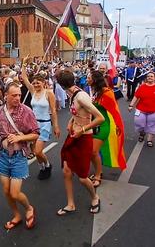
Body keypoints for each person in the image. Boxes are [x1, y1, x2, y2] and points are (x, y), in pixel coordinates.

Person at [0, 81, 39, 230]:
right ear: (6, 96)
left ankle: (29, 208)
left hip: (18, 157)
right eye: (14, 95)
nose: (17, 98)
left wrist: (19, 138)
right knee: (6, 191)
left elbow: (36, 134)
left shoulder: (26, 111)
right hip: (3, 156)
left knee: (15, 193)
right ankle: (16, 214)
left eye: (19, 95)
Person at [56, 70, 104, 215]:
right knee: (66, 171)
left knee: (83, 178)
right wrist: (71, 122)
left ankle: (95, 197)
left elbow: (99, 118)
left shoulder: (81, 97)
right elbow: (77, 112)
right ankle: (71, 204)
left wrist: (82, 129)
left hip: (83, 139)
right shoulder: (73, 92)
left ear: (61, 84)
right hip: (73, 136)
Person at [21, 56, 60, 180]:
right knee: (34, 152)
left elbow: (53, 110)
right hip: (33, 126)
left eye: (38, 82)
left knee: (38, 151)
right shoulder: (32, 91)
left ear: (44, 83)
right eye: (34, 82)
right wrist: (23, 64)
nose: (36, 84)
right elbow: (24, 78)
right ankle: (42, 168)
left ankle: (47, 165)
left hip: (44, 125)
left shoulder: (49, 93)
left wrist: (56, 126)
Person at [87, 70, 126, 187]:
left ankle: (98, 175)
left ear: (95, 80)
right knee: (91, 152)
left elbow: (114, 111)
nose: (87, 79)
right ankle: (99, 171)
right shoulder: (93, 91)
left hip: (103, 126)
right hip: (92, 125)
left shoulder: (107, 92)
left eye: (89, 77)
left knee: (93, 151)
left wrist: (118, 126)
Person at [128, 72, 155, 147]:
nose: (149, 77)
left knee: (152, 125)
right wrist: (131, 105)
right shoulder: (142, 87)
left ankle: (149, 140)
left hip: (153, 111)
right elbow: (136, 96)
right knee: (139, 123)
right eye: (148, 76)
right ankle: (142, 133)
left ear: (154, 78)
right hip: (141, 110)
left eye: (151, 76)